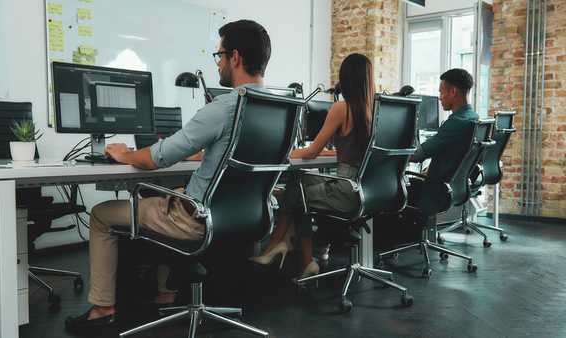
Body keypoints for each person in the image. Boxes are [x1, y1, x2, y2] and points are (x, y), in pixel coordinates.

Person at [65, 19, 271, 333]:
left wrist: (125, 155)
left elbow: (156, 158)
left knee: (100, 214)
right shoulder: (278, 107)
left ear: (236, 57)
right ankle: (165, 294)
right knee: (161, 193)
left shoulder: (225, 107)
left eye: (219, 56)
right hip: (246, 218)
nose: (217, 63)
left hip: (195, 221)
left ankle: (103, 309)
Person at [249, 53, 375, 279]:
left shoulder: (341, 108)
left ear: (345, 79)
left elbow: (312, 151)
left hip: (346, 190)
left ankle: (279, 245)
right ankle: (298, 256)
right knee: (300, 185)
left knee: (297, 190)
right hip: (368, 189)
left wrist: (282, 152)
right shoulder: (374, 111)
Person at [410, 68, 479, 178]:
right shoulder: (474, 117)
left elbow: (416, 155)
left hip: (437, 188)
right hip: (454, 186)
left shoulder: (456, 122)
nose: (440, 98)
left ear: (453, 92)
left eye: (441, 92)